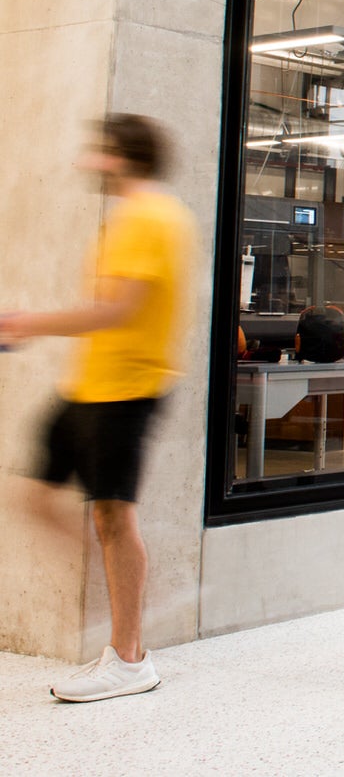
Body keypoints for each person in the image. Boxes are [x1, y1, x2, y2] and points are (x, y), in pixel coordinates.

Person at [0, 115, 195, 702]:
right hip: (89, 386)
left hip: (125, 389)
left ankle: (131, 656)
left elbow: (116, 310)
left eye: (98, 151)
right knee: (37, 498)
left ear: (121, 156)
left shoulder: (150, 218)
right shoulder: (137, 217)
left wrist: (28, 323)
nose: (87, 160)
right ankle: (131, 609)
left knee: (113, 518)